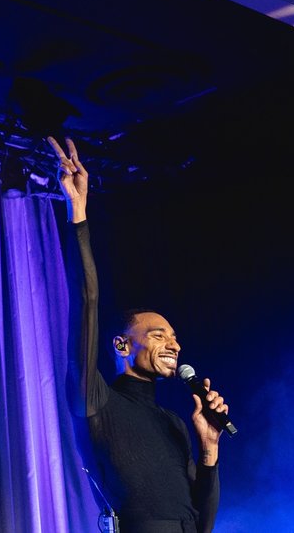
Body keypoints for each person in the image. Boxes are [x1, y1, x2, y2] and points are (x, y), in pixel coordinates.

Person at [47, 135, 229, 533]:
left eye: (176, 337)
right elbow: (86, 300)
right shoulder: (95, 400)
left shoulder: (173, 423)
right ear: (122, 344)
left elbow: (202, 526)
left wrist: (209, 449)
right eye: (160, 335)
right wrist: (78, 213)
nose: (174, 345)